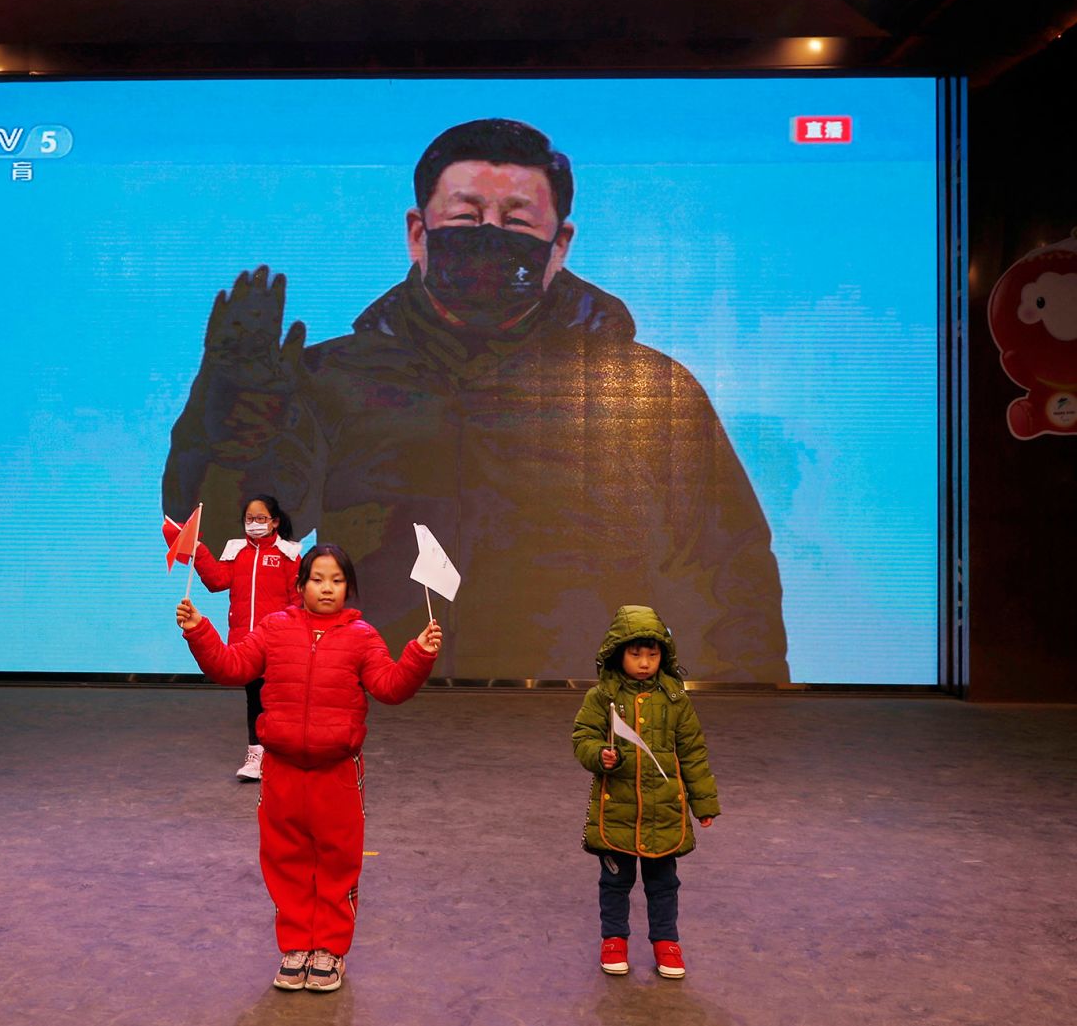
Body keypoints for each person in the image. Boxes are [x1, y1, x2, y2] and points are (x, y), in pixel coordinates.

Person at [165, 118, 789, 682]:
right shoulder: (329, 379)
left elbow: (727, 577)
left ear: (560, 244)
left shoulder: (647, 388)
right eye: (466, 218)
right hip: (375, 704)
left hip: (579, 717)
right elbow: (231, 551)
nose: (490, 238)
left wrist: (748, 717)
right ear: (418, 232)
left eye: (517, 223)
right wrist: (221, 441)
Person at [177, 544, 440, 993]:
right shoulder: (274, 629)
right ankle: (296, 947)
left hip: (336, 773)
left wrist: (418, 654)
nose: (326, 588)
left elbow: (390, 687)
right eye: (317, 579)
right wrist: (200, 631)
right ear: (300, 586)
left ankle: (330, 950)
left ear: (348, 589)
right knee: (285, 862)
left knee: (338, 864)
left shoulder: (362, 637)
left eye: (337, 581)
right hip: (281, 772)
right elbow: (233, 666)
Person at [571, 604, 719, 980]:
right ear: (617, 653)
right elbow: (582, 738)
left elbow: (692, 753)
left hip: (664, 813)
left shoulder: (675, 700)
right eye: (635, 654)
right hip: (617, 812)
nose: (643, 663)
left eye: (652, 655)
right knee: (615, 882)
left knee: (664, 884)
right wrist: (599, 755)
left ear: (663, 656)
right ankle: (614, 939)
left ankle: (666, 942)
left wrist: (704, 803)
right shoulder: (601, 698)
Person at [163, 494, 301, 779]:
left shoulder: (289, 555)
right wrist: (197, 549)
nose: (254, 524)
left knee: (280, 699)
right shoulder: (236, 552)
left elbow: (296, 600)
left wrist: (292, 634)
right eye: (249, 519)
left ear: (275, 522)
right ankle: (256, 756)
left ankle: (284, 754)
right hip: (244, 643)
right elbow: (216, 581)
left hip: (278, 642)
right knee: (255, 698)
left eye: (261, 519)